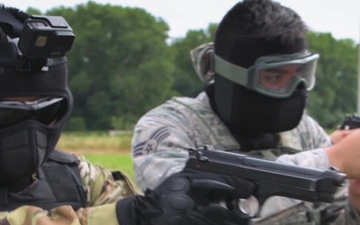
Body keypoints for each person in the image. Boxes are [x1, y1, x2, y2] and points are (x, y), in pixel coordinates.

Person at [0, 5, 257, 225]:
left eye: (48, 111)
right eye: (9, 116)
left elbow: (145, 211)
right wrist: (128, 216)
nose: (29, 131)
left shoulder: (79, 177)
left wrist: (183, 209)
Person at [131, 0, 359, 224]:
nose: (294, 90)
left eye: (300, 74)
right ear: (232, 76)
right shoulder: (168, 128)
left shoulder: (305, 132)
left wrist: (356, 200)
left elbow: (334, 217)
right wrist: (331, 159)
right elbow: (188, 211)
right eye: (274, 77)